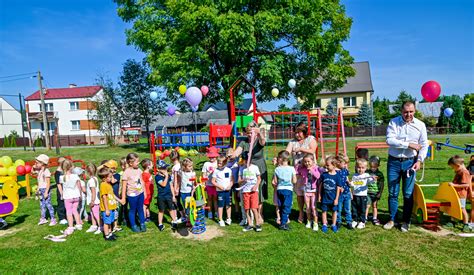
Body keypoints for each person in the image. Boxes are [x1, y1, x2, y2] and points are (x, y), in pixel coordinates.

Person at [384, 101, 428, 232]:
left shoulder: (420, 125)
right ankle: (392, 219)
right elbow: (389, 140)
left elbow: (424, 144)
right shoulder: (394, 122)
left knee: (408, 194)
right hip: (394, 162)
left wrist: (419, 160)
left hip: (410, 162)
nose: (408, 114)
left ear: (414, 111)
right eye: (406, 112)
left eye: (411, 111)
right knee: (393, 192)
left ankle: (405, 221)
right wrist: (408, 144)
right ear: (401, 111)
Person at [232, 121, 268, 219]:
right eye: (247, 132)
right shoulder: (244, 142)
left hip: (259, 167)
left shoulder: (258, 139)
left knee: (259, 191)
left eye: (251, 132)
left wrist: (259, 132)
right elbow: (237, 151)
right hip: (247, 168)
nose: (249, 134)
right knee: (249, 189)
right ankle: (250, 214)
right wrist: (232, 155)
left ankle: (260, 214)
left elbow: (263, 142)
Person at [286, 123, 317, 223]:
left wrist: (301, 149)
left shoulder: (310, 139)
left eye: (299, 133)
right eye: (295, 133)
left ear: (304, 132)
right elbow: (287, 152)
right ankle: (301, 212)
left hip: (310, 172)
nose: (297, 135)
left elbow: (312, 150)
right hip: (298, 171)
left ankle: (312, 213)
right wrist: (280, 157)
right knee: (299, 193)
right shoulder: (292, 142)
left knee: (311, 192)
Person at [121, 153, 147, 233]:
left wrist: (144, 191)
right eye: (137, 162)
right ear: (130, 163)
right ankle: (133, 225)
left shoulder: (139, 170)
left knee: (140, 209)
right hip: (132, 195)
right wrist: (123, 198)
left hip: (140, 193)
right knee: (132, 210)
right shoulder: (126, 172)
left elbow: (142, 181)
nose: (138, 163)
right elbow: (124, 186)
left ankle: (142, 224)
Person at [273, 150, 297, 230]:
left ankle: (283, 220)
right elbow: (294, 181)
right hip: (288, 190)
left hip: (279, 190)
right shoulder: (291, 168)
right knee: (287, 206)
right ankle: (283, 224)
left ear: (281, 158)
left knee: (281, 205)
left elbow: (275, 181)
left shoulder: (277, 169)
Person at [238, 152, 262, 232]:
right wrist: (243, 180)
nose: (245, 162)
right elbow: (239, 181)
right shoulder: (242, 169)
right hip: (245, 191)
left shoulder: (255, 167)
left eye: (247, 160)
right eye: (244, 160)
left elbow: (259, 179)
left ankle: (257, 224)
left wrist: (255, 186)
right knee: (247, 208)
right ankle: (250, 224)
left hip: (254, 191)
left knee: (254, 208)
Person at [447, 155, 471, 232]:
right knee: (453, 207)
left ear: (458, 165)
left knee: (462, 208)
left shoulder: (464, 172)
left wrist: (454, 185)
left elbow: (466, 185)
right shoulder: (459, 171)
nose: (453, 169)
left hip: (461, 194)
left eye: (453, 167)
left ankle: (466, 224)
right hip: (456, 193)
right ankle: (452, 221)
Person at [319, 156, 343, 233]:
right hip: (325, 198)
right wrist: (319, 195)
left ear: (334, 165)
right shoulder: (324, 175)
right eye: (326, 165)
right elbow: (320, 186)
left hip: (333, 198)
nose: (326, 166)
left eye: (328, 165)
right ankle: (324, 224)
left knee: (334, 211)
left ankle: (333, 224)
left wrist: (336, 199)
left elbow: (339, 188)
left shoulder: (337, 176)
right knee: (324, 211)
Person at [350, 158, 375, 229]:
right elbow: (353, 184)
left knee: (362, 209)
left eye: (362, 168)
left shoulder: (366, 175)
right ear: (356, 167)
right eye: (358, 167)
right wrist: (350, 184)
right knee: (354, 209)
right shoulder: (355, 175)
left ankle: (362, 221)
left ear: (366, 168)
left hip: (363, 196)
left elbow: (371, 182)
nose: (360, 169)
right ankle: (355, 220)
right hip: (355, 195)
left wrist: (373, 179)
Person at [60, 159, 83, 235]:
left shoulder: (62, 177)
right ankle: (78, 224)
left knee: (69, 211)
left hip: (68, 197)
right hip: (76, 195)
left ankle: (70, 226)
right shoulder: (75, 176)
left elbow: (62, 187)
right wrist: (80, 194)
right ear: (71, 167)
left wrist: (62, 195)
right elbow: (79, 186)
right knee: (75, 210)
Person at [33, 154, 56, 226]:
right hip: (40, 190)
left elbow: (48, 183)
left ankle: (53, 219)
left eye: (37, 163)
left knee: (48, 204)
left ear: (42, 163)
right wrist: (33, 167)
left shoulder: (46, 171)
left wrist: (46, 192)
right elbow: (32, 172)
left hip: (45, 190)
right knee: (42, 205)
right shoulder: (39, 171)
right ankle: (43, 218)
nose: (36, 164)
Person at [155, 160, 178, 232]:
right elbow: (164, 184)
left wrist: (173, 196)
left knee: (170, 209)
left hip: (169, 196)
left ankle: (174, 221)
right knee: (161, 210)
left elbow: (171, 185)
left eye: (166, 168)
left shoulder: (169, 176)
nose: (165, 170)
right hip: (161, 197)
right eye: (163, 168)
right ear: (158, 169)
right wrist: (166, 176)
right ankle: (160, 224)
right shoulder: (157, 177)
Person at [98, 166, 119, 241]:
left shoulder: (108, 184)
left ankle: (110, 233)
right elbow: (104, 198)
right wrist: (106, 209)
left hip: (112, 207)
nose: (111, 178)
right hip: (107, 208)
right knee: (106, 223)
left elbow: (112, 195)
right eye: (110, 177)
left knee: (110, 221)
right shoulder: (103, 185)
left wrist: (119, 200)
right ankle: (107, 236)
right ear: (104, 178)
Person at [212, 156, 233, 226]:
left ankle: (229, 218)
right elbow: (213, 181)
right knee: (220, 205)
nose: (219, 165)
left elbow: (232, 180)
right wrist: (219, 186)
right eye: (218, 163)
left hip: (228, 191)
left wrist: (230, 186)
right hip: (220, 191)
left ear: (225, 163)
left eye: (221, 163)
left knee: (228, 205)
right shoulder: (216, 171)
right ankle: (220, 219)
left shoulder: (228, 170)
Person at [366, 156, 385, 225]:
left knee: (374, 206)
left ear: (378, 166)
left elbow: (382, 184)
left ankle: (374, 218)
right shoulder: (367, 172)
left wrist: (380, 193)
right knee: (367, 205)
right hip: (367, 192)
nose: (372, 168)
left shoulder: (380, 174)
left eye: (374, 167)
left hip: (375, 193)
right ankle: (365, 218)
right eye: (371, 167)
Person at [336, 154, 352, 229]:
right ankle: (338, 221)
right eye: (344, 163)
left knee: (347, 209)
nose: (346, 165)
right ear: (339, 162)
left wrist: (350, 191)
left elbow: (347, 179)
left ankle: (349, 222)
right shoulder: (335, 171)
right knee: (338, 209)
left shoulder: (345, 170)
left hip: (347, 192)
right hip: (339, 194)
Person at [202, 146, 219, 219]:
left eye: (213, 157)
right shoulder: (206, 164)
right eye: (210, 157)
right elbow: (204, 173)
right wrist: (204, 183)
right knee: (209, 198)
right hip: (208, 184)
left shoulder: (218, 163)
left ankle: (216, 212)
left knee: (215, 198)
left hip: (216, 184)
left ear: (216, 156)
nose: (212, 158)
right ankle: (209, 212)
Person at [178, 157, 196, 224]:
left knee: (191, 206)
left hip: (190, 192)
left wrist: (193, 189)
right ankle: (187, 219)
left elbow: (194, 183)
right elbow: (179, 179)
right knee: (185, 206)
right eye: (189, 166)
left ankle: (192, 219)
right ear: (184, 167)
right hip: (183, 192)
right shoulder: (181, 172)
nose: (191, 167)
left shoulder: (192, 173)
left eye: (191, 166)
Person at [85, 163, 101, 234]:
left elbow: (93, 192)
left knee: (96, 214)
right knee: (92, 213)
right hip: (94, 200)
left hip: (94, 201)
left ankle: (101, 226)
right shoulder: (95, 178)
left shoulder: (91, 181)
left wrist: (92, 201)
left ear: (88, 172)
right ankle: (94, 225)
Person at [170, 151, 185, 221]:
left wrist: (175, 188)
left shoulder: (175, 167)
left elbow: (177, 178)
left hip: (176, 186)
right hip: (180, 185)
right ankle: (180, 215)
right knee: (177, 201)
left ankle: (182, 216)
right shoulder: (179, 165)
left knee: (177, 201)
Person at [54, 156, 67, 225]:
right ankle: (61, 217)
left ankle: (66, 216)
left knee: (66, 203)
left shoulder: (64, 171)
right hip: (60, 190)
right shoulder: (58, 172)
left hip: (66, 189)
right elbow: (58, 184)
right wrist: (61, 193)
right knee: (61, 204)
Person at [141, 158, 154, 223]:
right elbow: (142, 184)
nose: (153, 166)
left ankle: (148, 217)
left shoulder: (148, 174)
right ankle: (144, 218)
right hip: (146, 193)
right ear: (148, 166)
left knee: (147, 205)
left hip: (150, 192)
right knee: (144, 206)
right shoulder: (144, 174)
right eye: (152, 165)